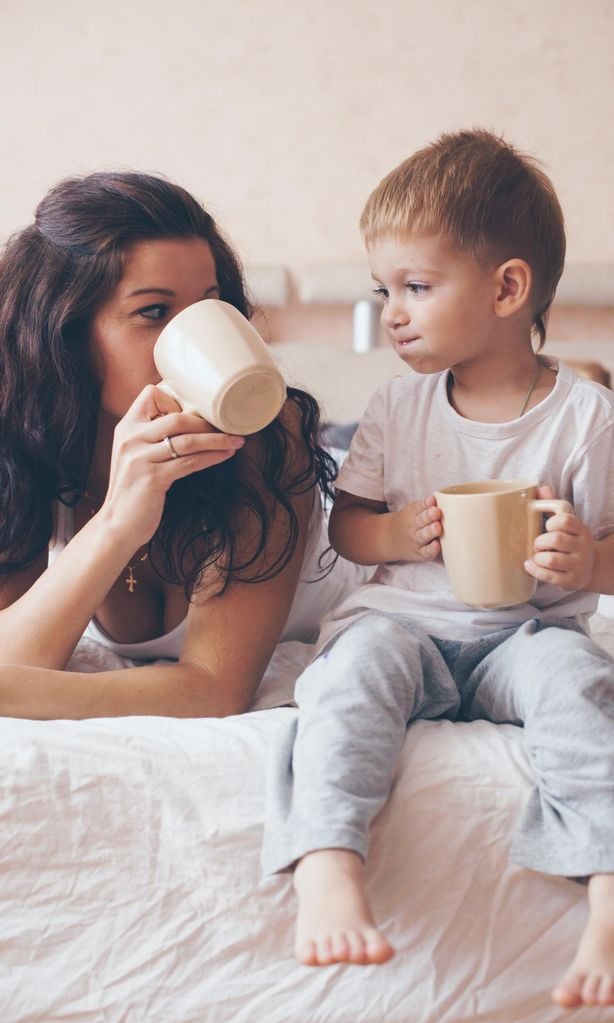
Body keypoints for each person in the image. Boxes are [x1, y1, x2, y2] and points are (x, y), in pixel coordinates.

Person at [261, 130, 614, 1010]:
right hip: (406, 624)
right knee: (346, 681)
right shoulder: (396, 404)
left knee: (582, 691)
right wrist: (400, 539)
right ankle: (329, 862)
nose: (392, 311)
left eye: (417, 287)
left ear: (507, 288)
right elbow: (348, 528)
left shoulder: (587, 416)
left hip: (528, 632)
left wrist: (587, 557)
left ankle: (607, 893)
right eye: (384, 290)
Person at [0, 171, 357, 719]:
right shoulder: (29, 443)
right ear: (65, 335)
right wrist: (118, 522)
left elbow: (215, 690)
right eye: (154, 312)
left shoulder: (264, 438)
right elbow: (13, 657)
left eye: (209, 305)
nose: (191, 334)